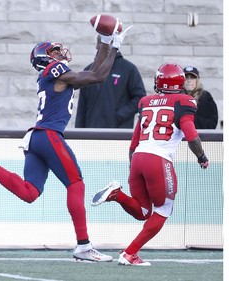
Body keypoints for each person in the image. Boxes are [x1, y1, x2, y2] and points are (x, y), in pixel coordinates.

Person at [0, 22, 132, 262]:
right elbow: (98, 76)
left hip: (36, 137)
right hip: (49, 135)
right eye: (55, 52)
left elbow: (93, 71)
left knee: (30, 193)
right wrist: (115, 48)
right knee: (76, 184)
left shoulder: (53, 75)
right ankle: (83, 245)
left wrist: (103, 40)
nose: (60, 54)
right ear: (46, 58)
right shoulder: (55, 71)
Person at [91, 63, 209, 266]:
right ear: (179, 82)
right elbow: (192, 136)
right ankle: (130, 253)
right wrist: (202, 157)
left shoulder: (146, 102)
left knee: (144, 211)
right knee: (164, 210)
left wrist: (133, 168)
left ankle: (117, 194)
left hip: (138, 157)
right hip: (159, 159)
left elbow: (134, 142)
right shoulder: (184, 101)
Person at [75, 35, 146, 128]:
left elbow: (140, 98)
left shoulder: (128, 69)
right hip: (91, 133)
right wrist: (80, 133)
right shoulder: (88, 71)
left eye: (111, 42)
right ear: (97, 45)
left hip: (118, 133)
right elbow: (82, 107)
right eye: (104, 43)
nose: (108, 46)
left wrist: (118, 116)